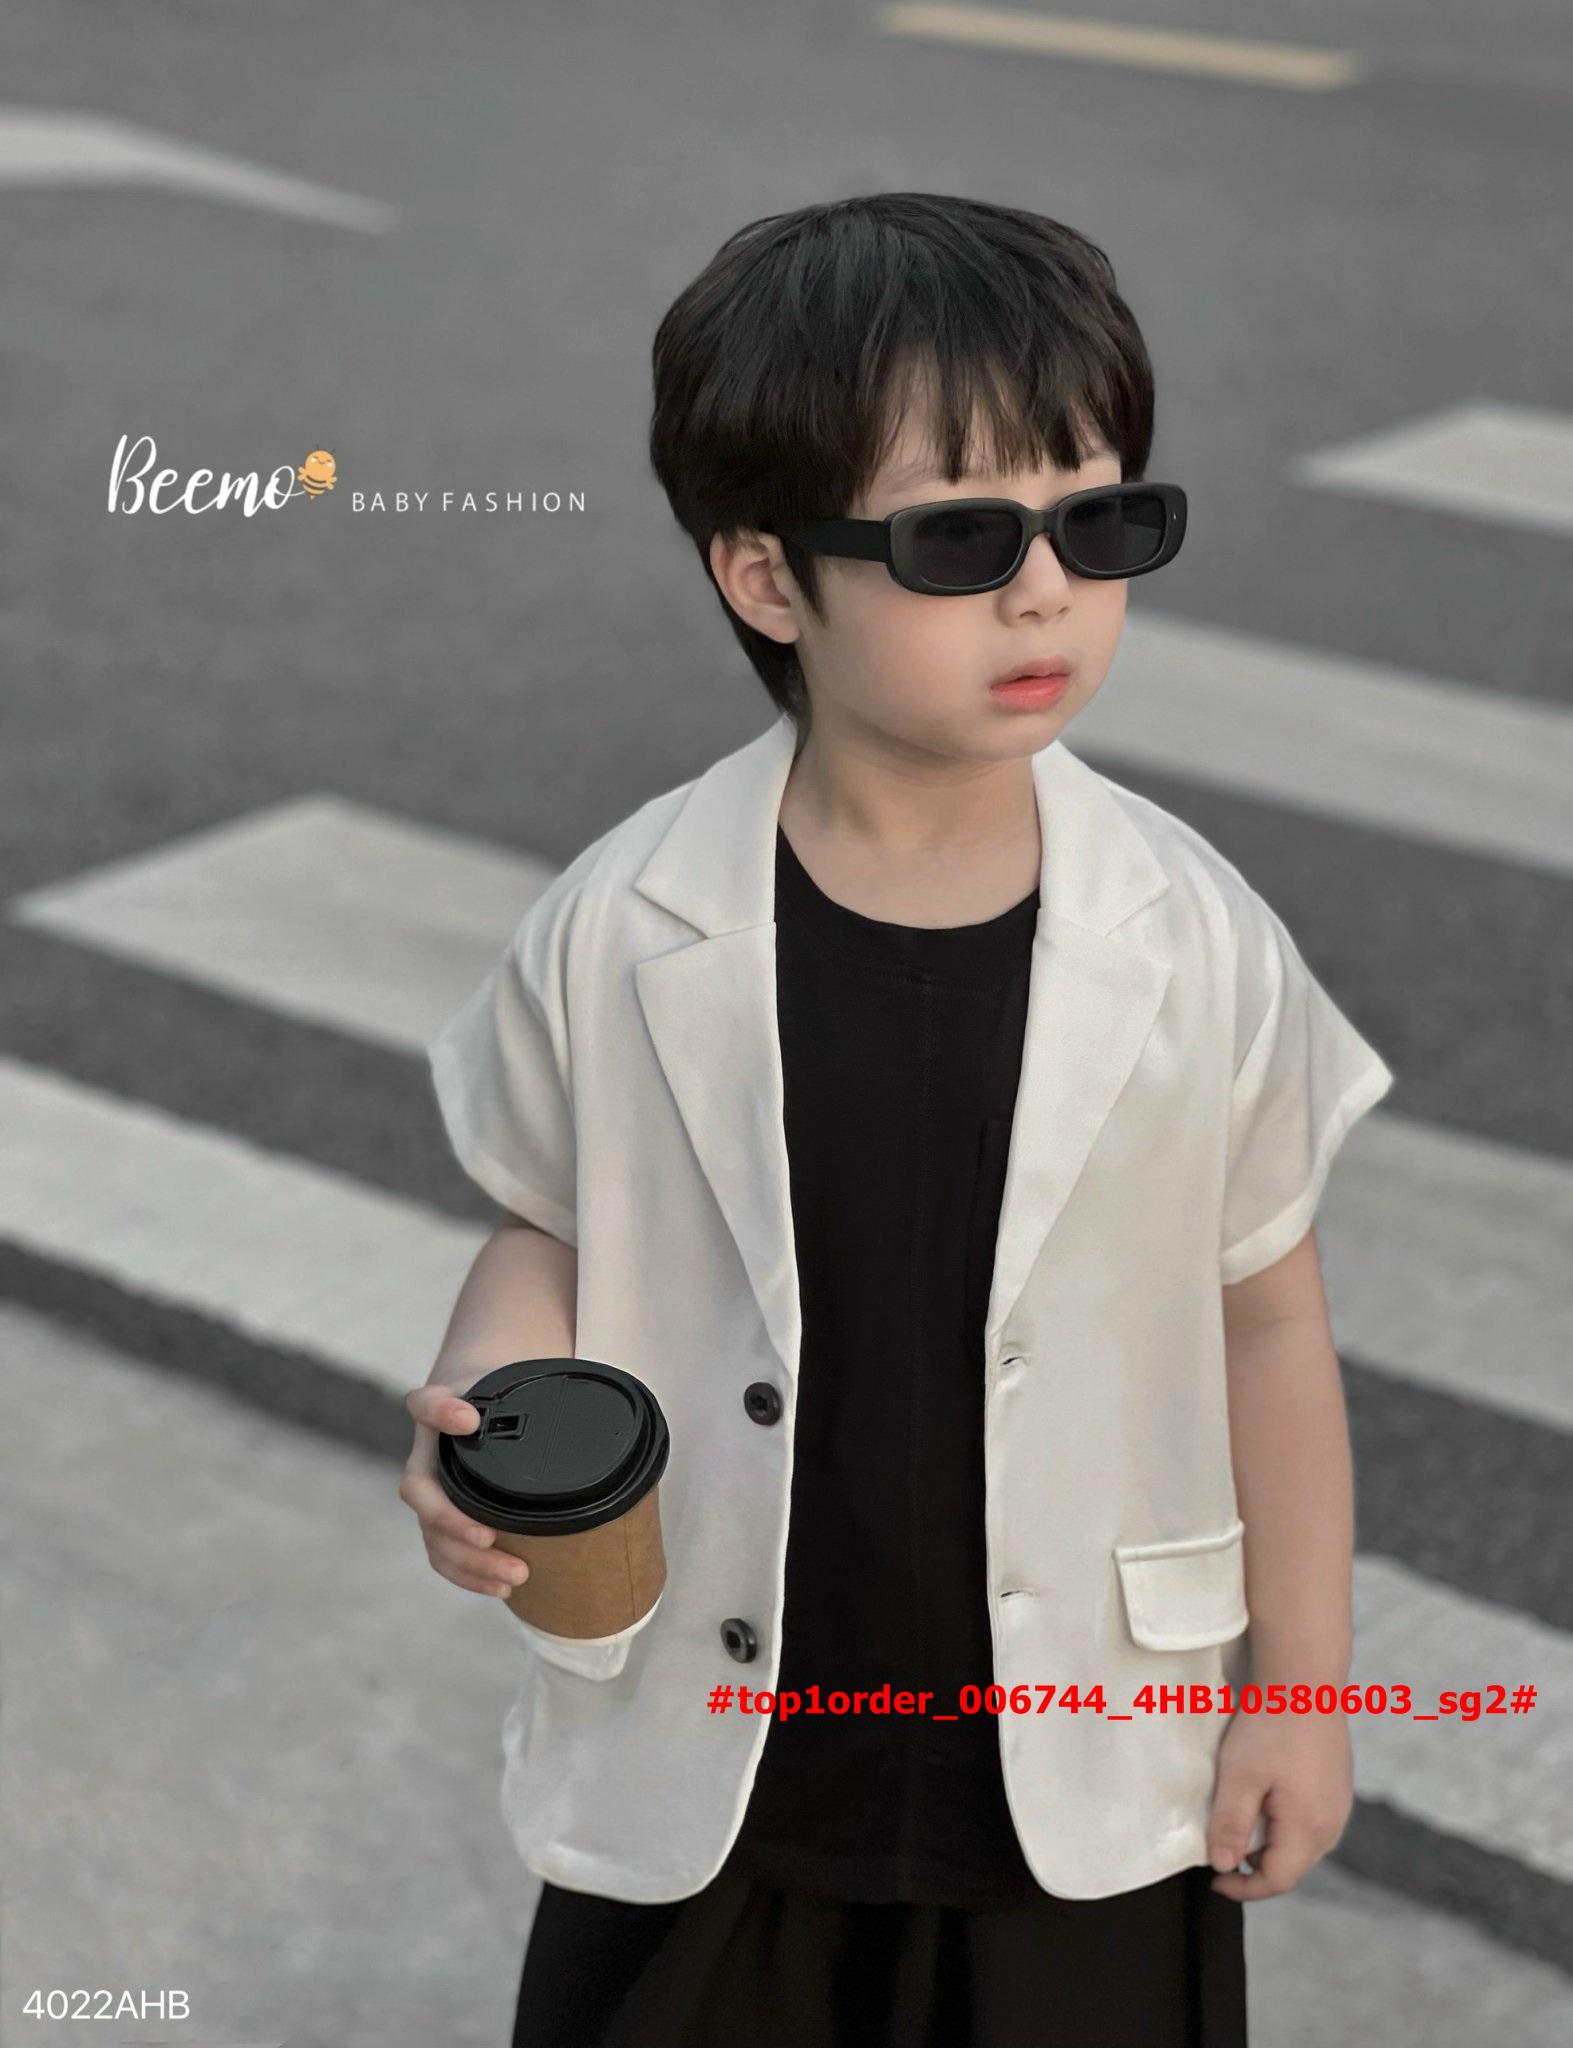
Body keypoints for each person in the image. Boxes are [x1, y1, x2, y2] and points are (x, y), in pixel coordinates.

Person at [399, 192, 1395, 2046]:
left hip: (1085, 1779)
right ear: (768, 579)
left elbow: (1265, 1320)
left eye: (1096, 522)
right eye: (959, 538)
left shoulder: (1195, 937)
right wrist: (488, 1408)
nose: (1045, 592)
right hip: (723, 1771)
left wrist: (1303, 1692)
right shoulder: (624, 925)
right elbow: (550, 1222)